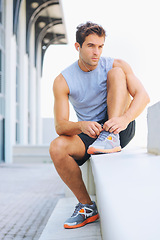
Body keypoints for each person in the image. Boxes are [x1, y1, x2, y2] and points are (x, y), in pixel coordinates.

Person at [49, 22, 150, 229]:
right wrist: (82, 126)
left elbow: (143, 96)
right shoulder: (63, 80)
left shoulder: (116, 64)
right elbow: (60, 126)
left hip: (119, 125)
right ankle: (86, 207)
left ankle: (111, 139)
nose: (97, 52)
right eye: (91, 46)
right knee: (57, 147)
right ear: (78, 47)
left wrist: (124, 119)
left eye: (101, 46)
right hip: (91, 132)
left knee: (116, 74)